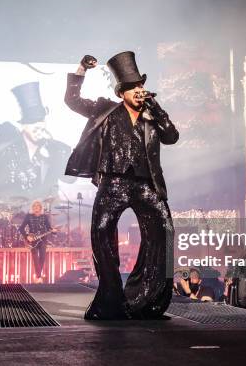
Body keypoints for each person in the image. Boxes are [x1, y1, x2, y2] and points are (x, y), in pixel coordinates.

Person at [64, 52, 179, 320]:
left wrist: (157, 107)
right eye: (134, 88)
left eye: (141, 87)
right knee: (102, 234)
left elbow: (171, 137)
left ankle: (147, 300)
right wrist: (81, 69)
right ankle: (111, 299)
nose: (139, 91)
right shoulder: (105, 109)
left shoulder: (152, 116)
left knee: (165, 232)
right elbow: (73, 100)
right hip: (113, 181)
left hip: (146, 183)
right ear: (122, 93)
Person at [0, 62, 74, 201]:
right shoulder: (6, 137)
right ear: (23, 125)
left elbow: (70, 179)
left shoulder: (54, 150)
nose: (39, 130)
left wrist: (74, 158)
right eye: (34, 125)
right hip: (7, 213)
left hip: (40, 215)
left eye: (41, 125)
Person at [19, 200, 56, 283]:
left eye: (38, 206)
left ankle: (38, 277)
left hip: (43, 239)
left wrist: (53, 231)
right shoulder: (28, 216)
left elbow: (49, 228)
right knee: (35, 258)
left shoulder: (45, 217)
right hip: (32, 240)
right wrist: (27, 236)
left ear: (40, 207)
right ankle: (39, 277)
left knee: (42, 257)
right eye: (34, 206)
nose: (36, 207)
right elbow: (21, 228)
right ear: (32, 208)